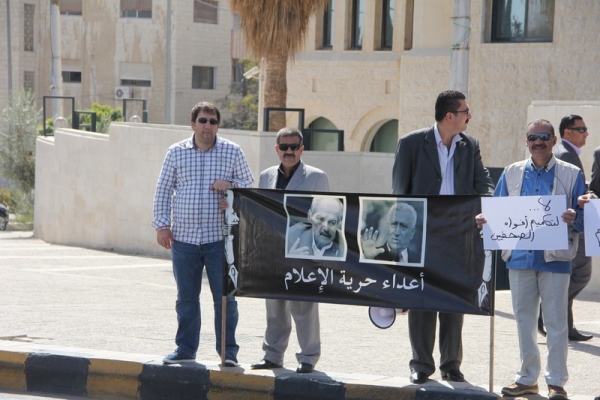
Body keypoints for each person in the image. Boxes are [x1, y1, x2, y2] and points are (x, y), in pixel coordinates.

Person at [476, 119, 585, 400]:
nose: (538, 142)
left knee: (556, 323)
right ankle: (527, 379)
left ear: (554, 141)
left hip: (556, 259)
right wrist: (486, 219)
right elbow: (497, 209)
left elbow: (584, 217)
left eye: (544, 137)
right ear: (526, 141)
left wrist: (575, 216)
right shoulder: (511, 172)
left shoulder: (572, 173)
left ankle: (556, 382)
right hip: (520, 258)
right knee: (524, 321)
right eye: (533, 137)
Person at [392, 89, 494, 384]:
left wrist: (489, 205)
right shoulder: (411, 143)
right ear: (450, 116)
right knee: (421, 299)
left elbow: (483, 183)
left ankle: (451, 364)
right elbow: (399, 192)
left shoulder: (469, 145)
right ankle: (421, 365)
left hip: (459, 234)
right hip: (422, 235)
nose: (469, 116)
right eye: (465, 112)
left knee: (453, 299)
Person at [152, 101, 254, 366]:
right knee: (186, 299)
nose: (208, 126)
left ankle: (228, 353)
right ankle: (185, 349)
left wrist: (231, 188)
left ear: (218, 125)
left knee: (226, 299)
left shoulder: (233, 151)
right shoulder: (176, 152)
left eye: (213, 121)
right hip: (183, 239)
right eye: (203, 120)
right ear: (193, 124)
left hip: (220, 240)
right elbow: (163, 189)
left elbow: (248, 186)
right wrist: (162, 225)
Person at [250, 127, 329, 374]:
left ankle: (308, 357)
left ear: (302, 149)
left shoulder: (317, 177)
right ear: (277, 149)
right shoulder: (265, 176)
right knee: (274, 306)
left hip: (304, 250)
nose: (289, 151)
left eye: (294, 147)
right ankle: (273, 355)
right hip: (273, 249)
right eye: (284, 147)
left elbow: (325, 216)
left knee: (304, 306)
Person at [538, 115, 593, 342]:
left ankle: (566, 325)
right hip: (571, 226)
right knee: (581, 274)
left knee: (571, 275)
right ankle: (546, 311)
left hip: (564, 225)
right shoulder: (566, 154)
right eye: (581, 129)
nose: (586, 133)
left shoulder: (563, 152)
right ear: (567, 132)